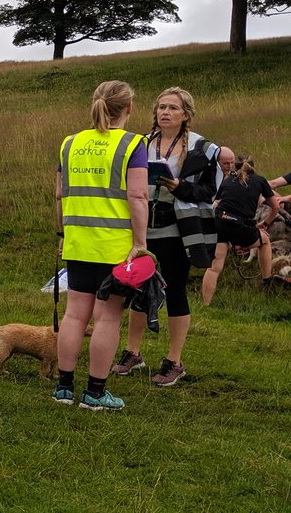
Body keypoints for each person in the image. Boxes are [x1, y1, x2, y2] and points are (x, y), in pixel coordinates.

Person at [111, 87, 219, 388]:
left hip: (177, 230)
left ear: (186, 114)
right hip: (143, 228)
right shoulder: (142, 142)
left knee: (174, 292)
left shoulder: (201, 148)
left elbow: (209, 193)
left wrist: (178, 186)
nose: (165, 112)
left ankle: (174, 360)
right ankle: (132, 352)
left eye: (172, 108)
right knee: (137, 288)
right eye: (161, 107)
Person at [52, 80, 149, 411]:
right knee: (107, 318)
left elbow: (60, 196)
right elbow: (137, 195)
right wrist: (141, 242)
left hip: (78, 242)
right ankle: (94, 393)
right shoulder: (133, 143)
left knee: (74, 314)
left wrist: (62, 234)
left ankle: (63, 388)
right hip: (114, 246)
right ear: (129, 109)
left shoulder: (70, 143)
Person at [202, 154, 280, 304]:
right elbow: (275, 206)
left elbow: (217, 201)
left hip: (220, 223)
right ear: (253, 167)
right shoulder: (260, 180)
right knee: (264, 241)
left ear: (235, 167)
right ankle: (267, 282)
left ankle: (205, 304)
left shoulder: (227, 181)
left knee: (214, 267)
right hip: (241, 226)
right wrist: (265, 223)